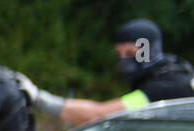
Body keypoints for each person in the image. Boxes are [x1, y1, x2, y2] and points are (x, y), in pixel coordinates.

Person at [18, 18, 194, 124]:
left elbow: (100, 115)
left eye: (131, 53)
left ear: (148, 51)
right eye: (119, 54)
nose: (123, 60)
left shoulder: (164, 87)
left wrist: (38, 98)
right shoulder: (174, 71)